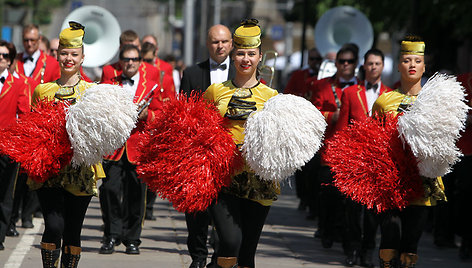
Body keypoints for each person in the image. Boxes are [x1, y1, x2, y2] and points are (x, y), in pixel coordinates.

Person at [203, 19, 279, 268]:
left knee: (247, 252)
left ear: (260, 57)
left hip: (258, 180)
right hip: (223, 178)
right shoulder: (215, 91)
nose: (246, 59)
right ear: (233, 56)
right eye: (241, 53)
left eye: (251, 54)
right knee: (230, 240)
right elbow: (197, 129)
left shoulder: (272, 98)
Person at [29, 22, 106, 268]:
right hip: (49, 170)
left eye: (74, 54)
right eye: (64, 53)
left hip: (81, 170)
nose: (68, 59)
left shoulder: (93, 91)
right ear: (57, 55)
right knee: (54, 226)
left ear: (83, 57)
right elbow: (33, 128)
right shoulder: (43, 90)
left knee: (73, 230)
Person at [372, 36, 443, 268]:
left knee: (411, 244)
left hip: (423, 180)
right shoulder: (384, 101)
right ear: (399, 64)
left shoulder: (437, 102)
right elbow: (373, 140)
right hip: (390, 181)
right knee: (389, 237)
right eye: (406, 60)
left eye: (417, 60)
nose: (412, 65)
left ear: (424, 66)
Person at [99, 44, 173, 255]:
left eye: (134, 59)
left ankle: (132, 239)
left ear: (141, 62)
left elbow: (163, 115)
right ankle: (111, 236)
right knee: (109, 191)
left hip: (138, 148)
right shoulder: (110, 84)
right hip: (113, 147)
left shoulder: (151, 86)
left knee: (136, 196)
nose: (130, 63)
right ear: (121, 62)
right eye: (126, 59)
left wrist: (147, 116)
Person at [179, 23, 234, 268]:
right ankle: (198, 257)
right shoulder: (192, 73)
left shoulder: (243, 72)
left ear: (231, 44)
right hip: (197, 153)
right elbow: (181, 114)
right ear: (207, 44)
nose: (220, 46)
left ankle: (219, 256)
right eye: (215, 42)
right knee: (196, 211)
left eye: (224, 41)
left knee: (226, 212)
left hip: (231, 155)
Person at [336, 48, 392, 267]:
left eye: (377, 63)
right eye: (370, 63)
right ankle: (352, 247)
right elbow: (342, 129)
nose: (373, 67)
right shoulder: (351, 92)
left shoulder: (390, 94)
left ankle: (368, 249)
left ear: (383, 66)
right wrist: (340, 160)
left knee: (371, 210)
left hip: (378, 161)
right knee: (351, 207)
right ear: (364, 65)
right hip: (354, 159)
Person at [309, 45, 360, 250]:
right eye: (341, 61)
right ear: (336, 64)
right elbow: (313, 113)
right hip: (330, 149)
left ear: (356, 64)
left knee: (348, 199)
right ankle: (327, 230)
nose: (345, 65)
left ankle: (345, 235)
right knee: (328, 195)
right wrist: (333, 116)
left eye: (349, 61)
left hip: (355, 151)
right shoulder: (323, 85)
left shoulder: (362, 88)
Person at [284, 47, 323, 221]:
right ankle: (303, 198)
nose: (315, 62)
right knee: (300, 167)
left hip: (316, 128)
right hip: (299, 126)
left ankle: (312, 202)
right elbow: (287, 96)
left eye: (317, 59)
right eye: (312, 59)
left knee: (313, 169)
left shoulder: (325, 78)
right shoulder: (299, 75)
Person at [0, 40, 30, 251]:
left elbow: (24, 113)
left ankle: (0, 235)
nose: (0, 58)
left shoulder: (18, 83)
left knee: (5, 192)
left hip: (6, 147)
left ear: (9, 61)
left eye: (4, 55)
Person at [15, 24, 60, 89]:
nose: (29, 44)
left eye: (32, 40)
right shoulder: (14, 60)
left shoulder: (52, 63)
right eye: (26, 40)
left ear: (39, 39)